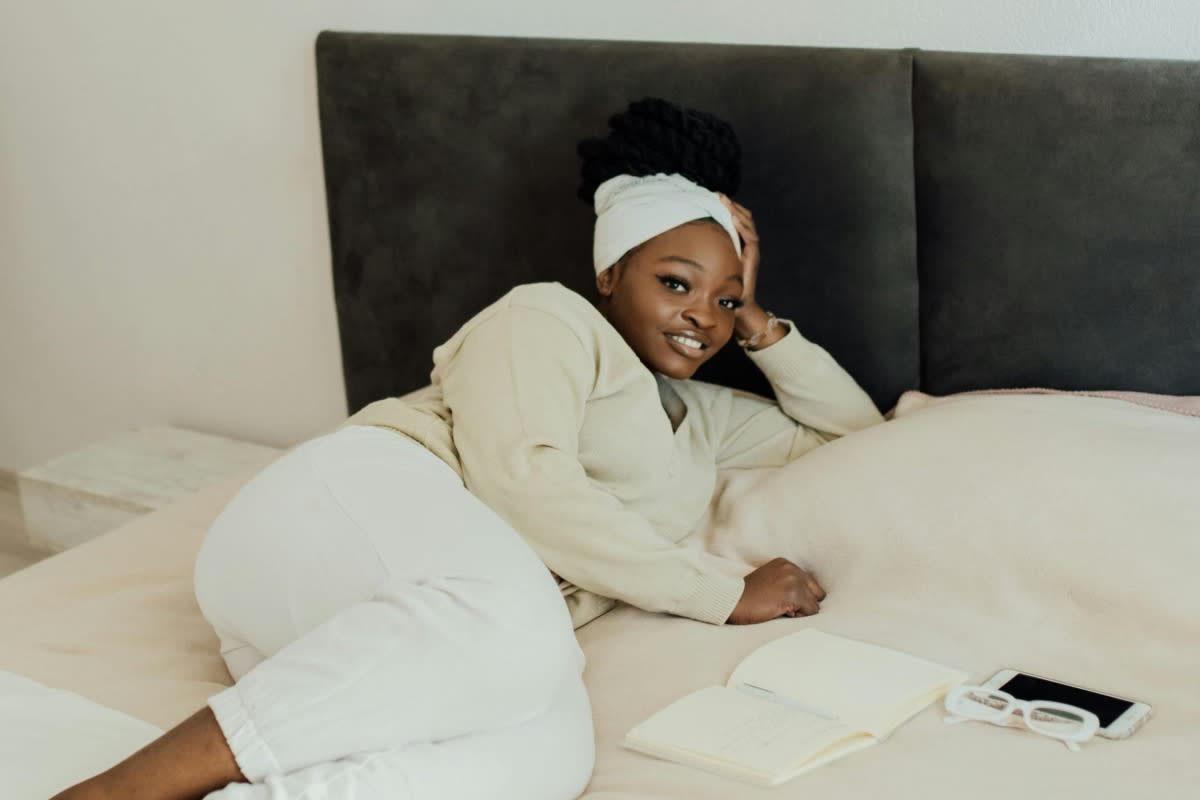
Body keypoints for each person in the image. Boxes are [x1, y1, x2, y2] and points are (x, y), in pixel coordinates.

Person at [52, 97, 883, 800]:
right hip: (342, 510)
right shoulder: (545, 320)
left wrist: (759, 317)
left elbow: (854, 435)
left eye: (721, 300)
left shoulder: (703, 418)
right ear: (609, 274)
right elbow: (525, 481)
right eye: (675, 281)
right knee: (520, 634)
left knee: (550, 756)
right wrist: (718, 593)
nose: (701, 314)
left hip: (383, 631)